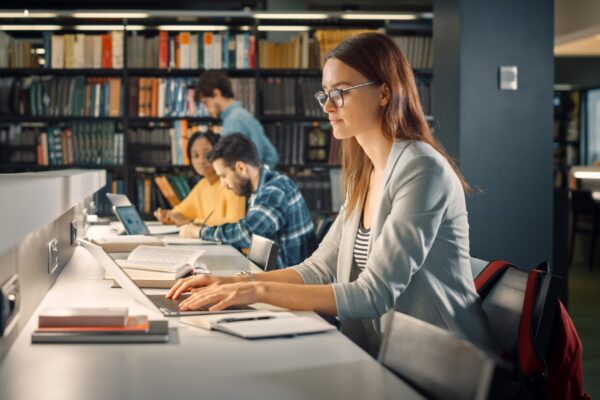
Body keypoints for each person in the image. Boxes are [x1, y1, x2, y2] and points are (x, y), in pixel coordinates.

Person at [168, 33, 496, 356]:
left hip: (446, 365)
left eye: (340, 93)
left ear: (384, 92)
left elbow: (375, 293)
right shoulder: (365, 172)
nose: (327, 106)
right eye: (324, 94)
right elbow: (318, 269)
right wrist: (233, 282)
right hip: (386, 353)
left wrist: (256, 290)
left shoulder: (422, 169)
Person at [179, 133, 317, 269]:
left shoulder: (275, 190)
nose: (222, 184)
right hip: (273, 276)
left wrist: (199, 232)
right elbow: (258, 253)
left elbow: (248, 232)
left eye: (223, 176)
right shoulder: (260, 190)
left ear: (241, 168)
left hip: (289, 284)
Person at [154, 131, 245, 228]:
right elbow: (180, 212)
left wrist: (192, 223)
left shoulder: (232, 183)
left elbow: (236, 223)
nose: (201, 161)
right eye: (196, 156)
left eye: (207, 154)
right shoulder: (202, 185)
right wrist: (167, 215)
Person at [196, 71, 279, 168]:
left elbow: (232, 166)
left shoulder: (233, 121)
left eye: (206, 102)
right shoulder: (243, 115)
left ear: (216, 93)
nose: (206, 110)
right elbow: (272, 156)